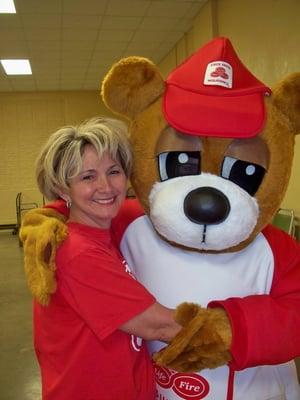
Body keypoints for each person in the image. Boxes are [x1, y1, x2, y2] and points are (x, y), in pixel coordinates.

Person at [27, 116, 181, 400]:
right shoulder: (76, 251)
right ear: (63, 190)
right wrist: (239, 328)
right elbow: (160, 325)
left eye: (114, 171)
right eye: (88, 177)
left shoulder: (104, 235)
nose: (106, 186)